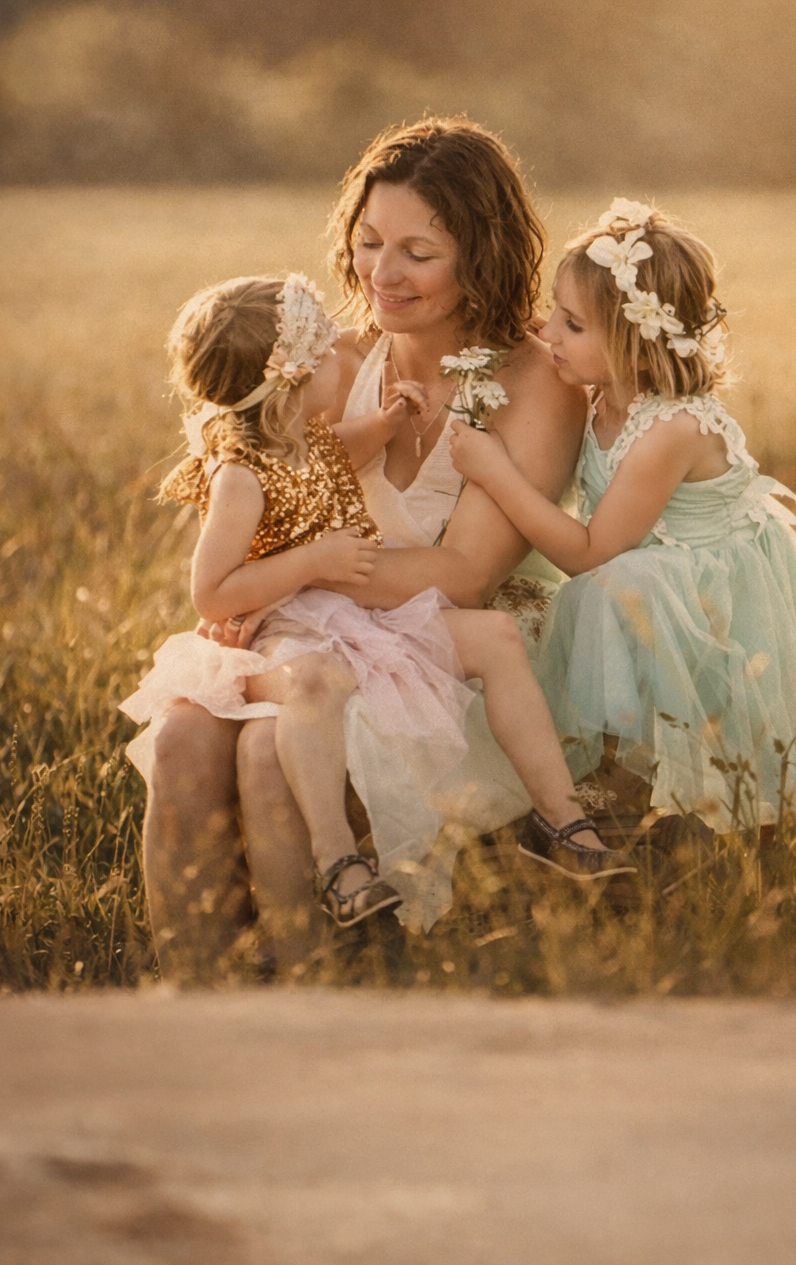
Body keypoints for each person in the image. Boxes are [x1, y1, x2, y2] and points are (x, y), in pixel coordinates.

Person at [134, 119, 592, 976]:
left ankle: (312, 990)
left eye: (419, 250)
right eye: (369, 241)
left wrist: (282, 587)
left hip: (458, 652)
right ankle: (200, 988)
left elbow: (463, 576)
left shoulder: (537, 379)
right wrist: (258, 590)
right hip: (318, 634)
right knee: (182, 739)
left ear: (482, 255)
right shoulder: (337, 361)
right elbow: (260, 503)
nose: (382, 273)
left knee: (271, 747)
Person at [450, 197, 796, 834]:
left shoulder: (668, 430)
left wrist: (494, 472)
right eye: (557, 314)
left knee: (614, 593)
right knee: (608, 600)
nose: (548, 335)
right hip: (641, 575)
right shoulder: (604, 387)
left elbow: (589, 554)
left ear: (632, 338)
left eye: (571, 325)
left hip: (705, 590)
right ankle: (625, 790)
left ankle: (647, 807)